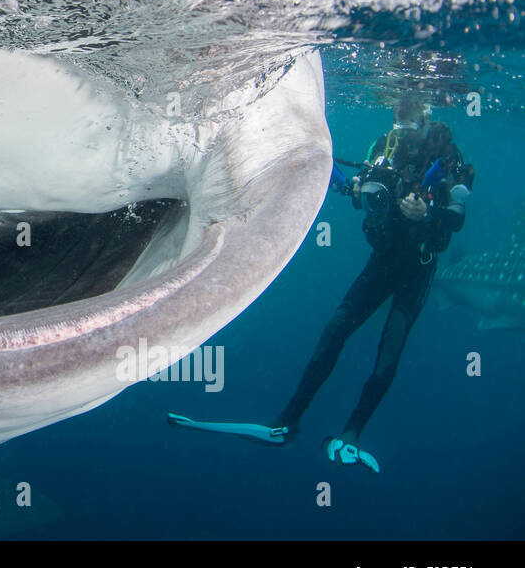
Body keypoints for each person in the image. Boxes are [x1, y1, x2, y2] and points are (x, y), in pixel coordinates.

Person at [168, 97, 474, 474]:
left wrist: (429, 213)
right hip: (382, 261)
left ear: (426, 118)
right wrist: (358, 190)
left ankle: (352, 434)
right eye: (399, 125)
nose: (404, 135)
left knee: (388, 351)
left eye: (411, 126)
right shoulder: (383, 146)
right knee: (334, 331)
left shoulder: (449, 156)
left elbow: (457, 218)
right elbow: (364, 194)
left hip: (419, 266)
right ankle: (286, 420)